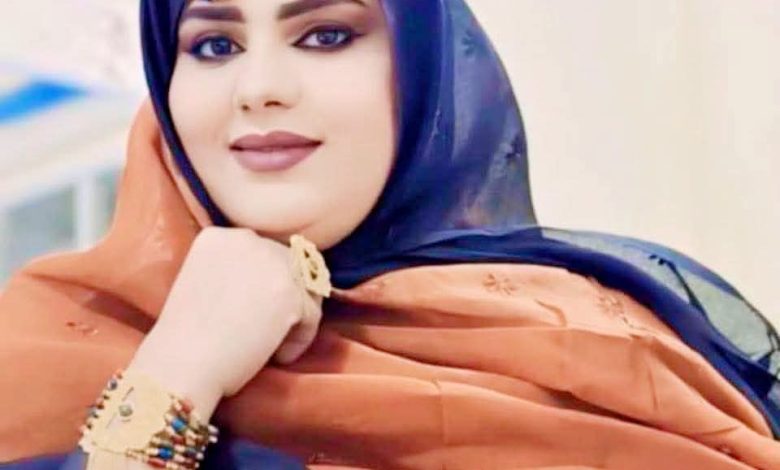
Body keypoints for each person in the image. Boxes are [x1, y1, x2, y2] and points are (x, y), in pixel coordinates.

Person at [1, 0, 779, 468]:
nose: (259, 88)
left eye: (325, 34)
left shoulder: (606, 361)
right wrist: (175, 373)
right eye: (214, 45)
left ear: (424, 68)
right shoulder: (43, 355)